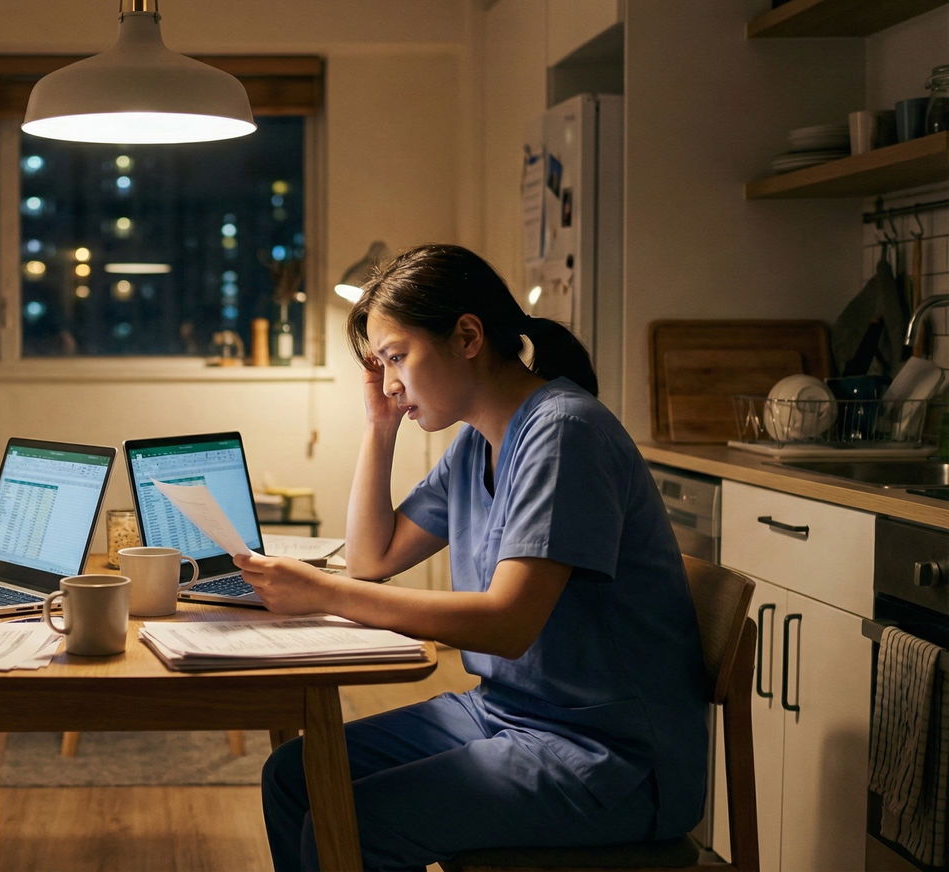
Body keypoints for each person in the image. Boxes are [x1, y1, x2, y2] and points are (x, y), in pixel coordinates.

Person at [236, 244, 707, 872]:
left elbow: (507, 624)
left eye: (397, 357)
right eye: (382, 365)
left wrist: (323, 593)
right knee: (294, 777)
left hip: (608, 756)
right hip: (504, 713)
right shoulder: (475, 446)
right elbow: (371, 559)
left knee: (350, 821)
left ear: (466, 337)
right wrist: (380, 426)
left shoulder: (564, 432)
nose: (391, 381)